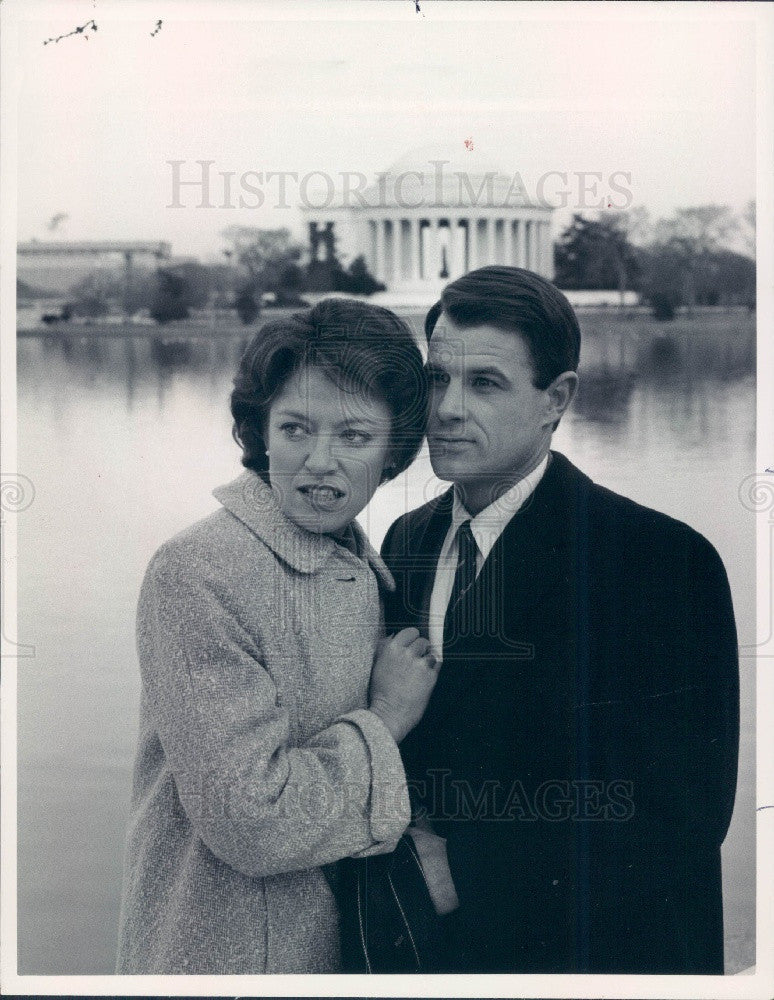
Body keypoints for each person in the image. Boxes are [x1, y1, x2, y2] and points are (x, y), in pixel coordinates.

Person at [371, 266, 740, 974]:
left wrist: (460, 869)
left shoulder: (660, 561)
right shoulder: (406, 541)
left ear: (557, 399)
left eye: (484, 383)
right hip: (439, 962)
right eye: (437, 378)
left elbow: (679, 820)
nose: (446, 408)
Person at [116, 298, 438, 974]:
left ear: (392, 452)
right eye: (295, 428)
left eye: (353, 436)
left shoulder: (362, 561)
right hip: (223, 961)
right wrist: (385, 720)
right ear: (261, 433)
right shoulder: (199, 572)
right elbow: (252, 819)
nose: (320, 461)